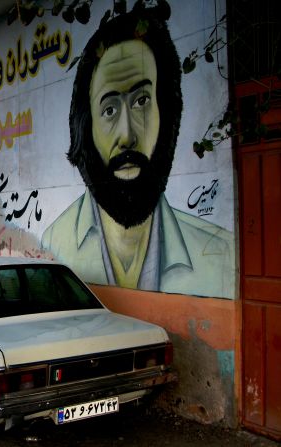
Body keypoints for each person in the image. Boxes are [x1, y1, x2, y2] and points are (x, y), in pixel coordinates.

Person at [41, 2, 233, 298]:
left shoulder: (219, 253)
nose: (127, 135)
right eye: (109, 109)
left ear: (166, 112)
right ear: (85, 126)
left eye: (141, 101)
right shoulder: (54, 243)